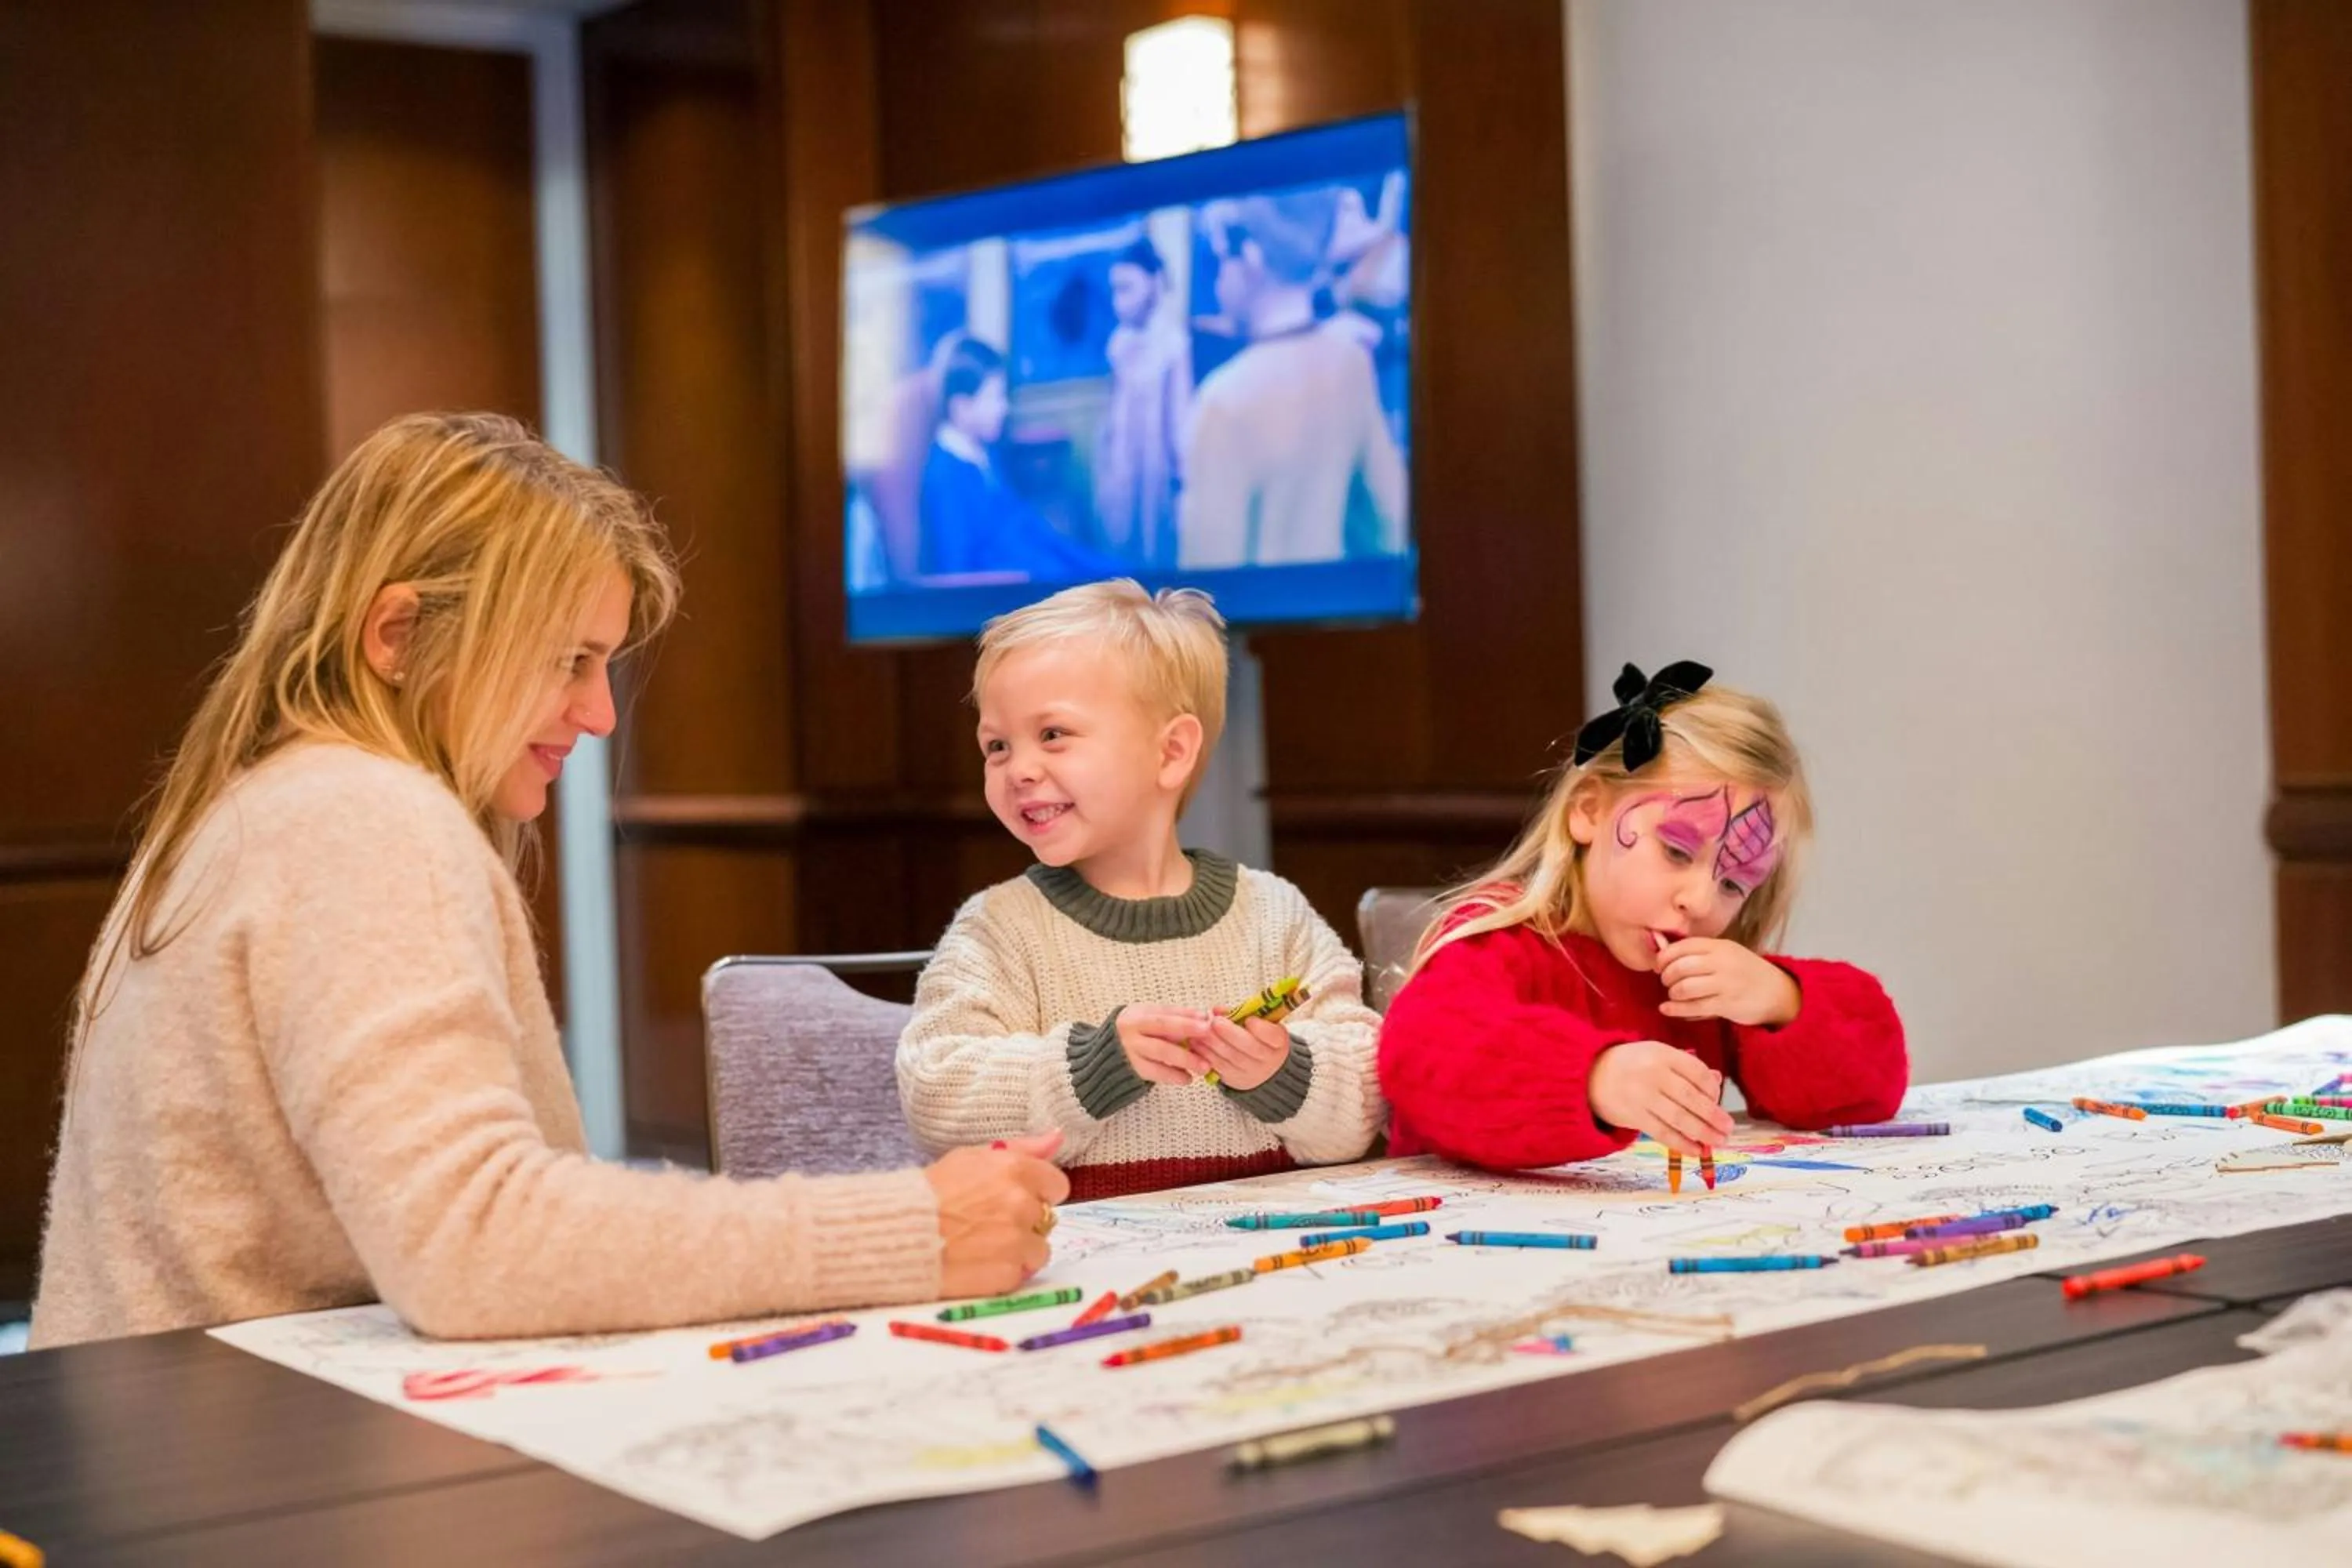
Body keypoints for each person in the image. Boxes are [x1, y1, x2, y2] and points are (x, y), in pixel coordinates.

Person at [31, 412, 1065, 1349]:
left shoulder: (251, 808)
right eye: (567, 659)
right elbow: (473, 1245)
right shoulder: (364, 814)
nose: (600, 714)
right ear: (397, 635)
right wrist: (909, 1228)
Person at [895, 580, 1385, 1200]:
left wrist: (1282, 1070)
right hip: (1078, 1264)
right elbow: (936, 1099)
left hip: (1264, 1258)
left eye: (1052, 734)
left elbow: (1368, 1098)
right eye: (997, 745)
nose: (1017, 769)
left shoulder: (1274, 913)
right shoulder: (998, 928)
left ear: (1171, 752)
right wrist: (1091, 1067)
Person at [1377, 662, 1907, 1170]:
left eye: (1732, 882)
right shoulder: (1500, 940)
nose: (1699, 900)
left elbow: (1872, 1087)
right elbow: (1421, 1053)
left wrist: (1781, 1001)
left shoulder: (1694, 983)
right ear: (1589, 810)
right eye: (1677, 851)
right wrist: (1595, 1080)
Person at [1178, 190, 1407, 569]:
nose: (1218, 283)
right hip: (1335, 619)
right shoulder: (1350, 361)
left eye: (1220, 262)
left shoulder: (1222, 400)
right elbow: (1390, 521)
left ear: (1251, 257)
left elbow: (1204, 594)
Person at [919, 336, 1117, 582]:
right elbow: (958, 573)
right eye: (994, 398)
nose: (1004, 408)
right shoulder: (946, 476)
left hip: (1042, 562)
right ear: (962, 406)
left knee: (1117, 573)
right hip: (1020, 588)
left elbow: (1029, 529)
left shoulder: (985, 453)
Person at [1093, 238, 1192, 568]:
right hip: (1123, 460)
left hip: (1156, 466)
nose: (1117, 301)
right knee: (1120, 541)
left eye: (1127, 289)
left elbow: (1179, 417)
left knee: (1155, 545)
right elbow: (1113, 409)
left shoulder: (1173, 343)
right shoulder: (1119, 342)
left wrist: (1183, 482)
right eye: (1114, 290)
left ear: (1153, 285)